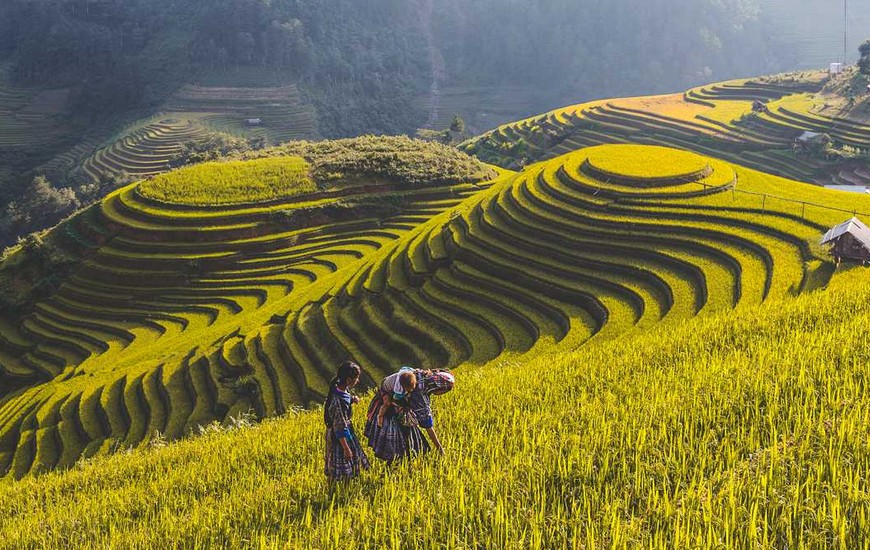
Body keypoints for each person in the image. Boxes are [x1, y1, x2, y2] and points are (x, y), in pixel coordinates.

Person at [364, 367, 455, 464]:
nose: (442, 394)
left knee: (408, 444)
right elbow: (427, 424)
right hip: (391, 408)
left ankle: (401, 464)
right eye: (444, 392)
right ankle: (395, 467)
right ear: (438, 388)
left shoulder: (422, 375)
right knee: (396, 446)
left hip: (395, 400)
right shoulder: (419, 393)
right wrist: (440, 448)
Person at [324, 361, 370, 481]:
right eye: (356, 378)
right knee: (342, 463)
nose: (358, 381)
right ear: (349, 380)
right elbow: (339, 427)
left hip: (346, 431)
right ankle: (337, 490)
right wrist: (346, 448)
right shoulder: (338, 402)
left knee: (348, 462)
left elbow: (344, 397)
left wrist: (352, 399)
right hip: (340, 436)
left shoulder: (340, 388)